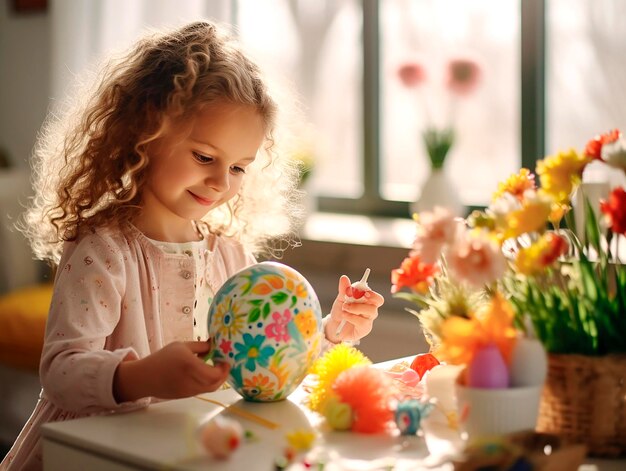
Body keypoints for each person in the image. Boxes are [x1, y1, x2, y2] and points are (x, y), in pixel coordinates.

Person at [1, 21, 384, 470]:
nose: (221, 182)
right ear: (142, 134)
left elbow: (265, 359)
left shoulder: (231, 256)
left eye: (239, 167)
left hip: (192, 450)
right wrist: (139, 376)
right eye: (205, 157)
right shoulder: (103, 249)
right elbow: (61, 371)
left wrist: (331, 330)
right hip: (96, 452)